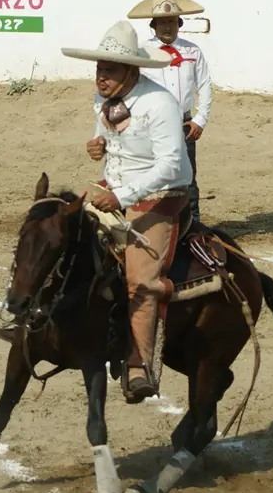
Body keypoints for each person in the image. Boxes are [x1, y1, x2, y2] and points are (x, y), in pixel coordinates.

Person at [60, 20, 193, 403]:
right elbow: (110, 145)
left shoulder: (160, 104)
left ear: (132, 71)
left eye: (109, 70)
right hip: (115, 191)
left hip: (160, 198)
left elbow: (170, 165)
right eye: (99, 68)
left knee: (140, 279)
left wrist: (122, 197)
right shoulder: (104, 100)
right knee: (54, 223)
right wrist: (98, 148)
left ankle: (139, 364)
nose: (101, 77)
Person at [128, 0, 213, 226]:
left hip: (184, 123)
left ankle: (192, 227)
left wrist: (200, 119)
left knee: (188, 178)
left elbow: (204, 84)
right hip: (152, 125)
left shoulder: (192, 51)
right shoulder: (142, 53)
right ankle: (154, 225)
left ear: (179, 24)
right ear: (153, 25)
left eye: (172, 21)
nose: (168, 26)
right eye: (163, 22)